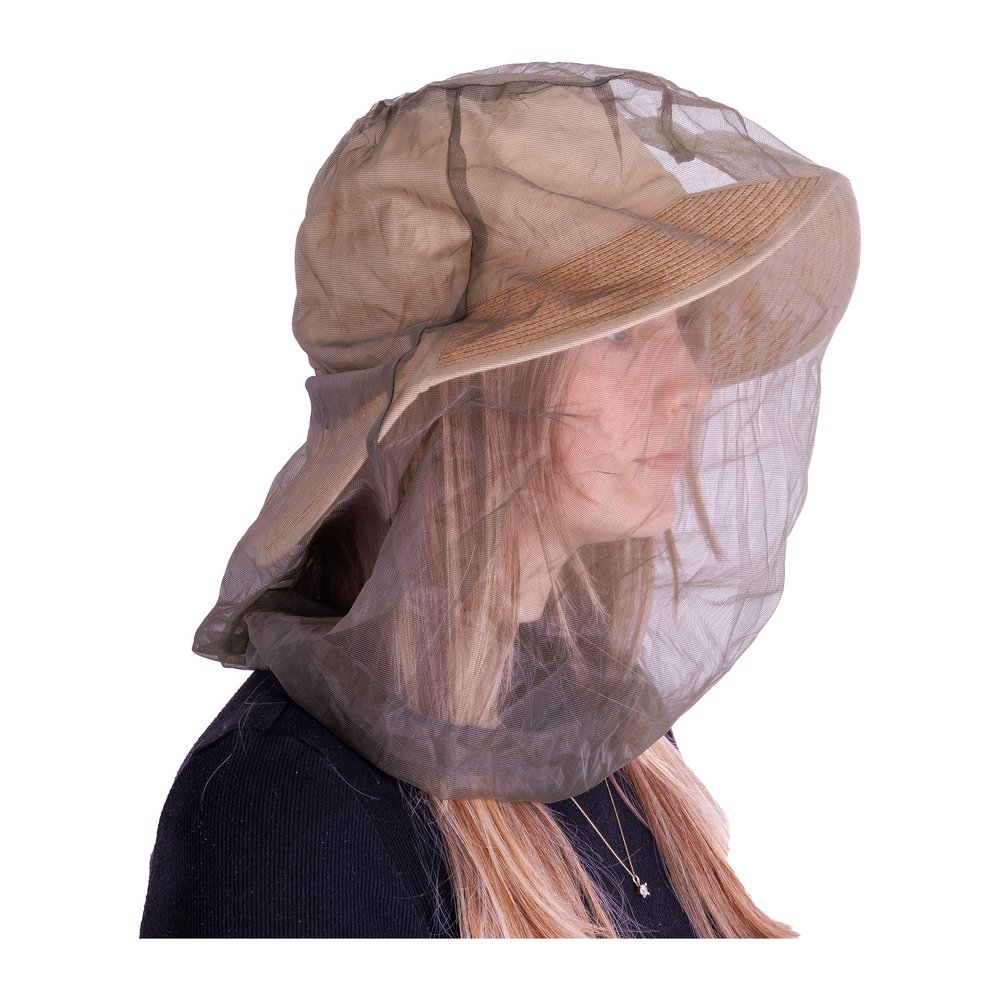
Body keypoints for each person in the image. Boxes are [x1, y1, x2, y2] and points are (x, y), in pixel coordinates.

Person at [140, 61, 860, 938]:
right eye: (621, 333)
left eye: (680, 323)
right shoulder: (284, 806)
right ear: (469, 389)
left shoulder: (592, 716)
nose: (692, 387)